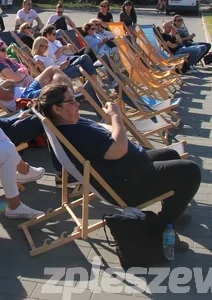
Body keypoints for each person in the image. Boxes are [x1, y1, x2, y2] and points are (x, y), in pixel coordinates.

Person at [35, 83, 199, 246]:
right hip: (127, 186)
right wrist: (116, 117)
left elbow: (105, 129)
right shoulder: (74, 133)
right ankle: (163, 228)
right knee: (191, 171)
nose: (78, 103)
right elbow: (118, 148)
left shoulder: (71, 122)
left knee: (171, 154)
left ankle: (171, 212)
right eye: (71, 101)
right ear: (56, 109)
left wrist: (115, 130)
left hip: (131, 168)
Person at [0, 51, 66, 112]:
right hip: (23, 100)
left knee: (52, 70)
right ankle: (69, 95)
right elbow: (9, 96)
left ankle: (68, 96)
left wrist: (9, 84)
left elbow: (10, 83)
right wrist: (10, 84)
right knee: (60, 89)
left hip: (25, 91)